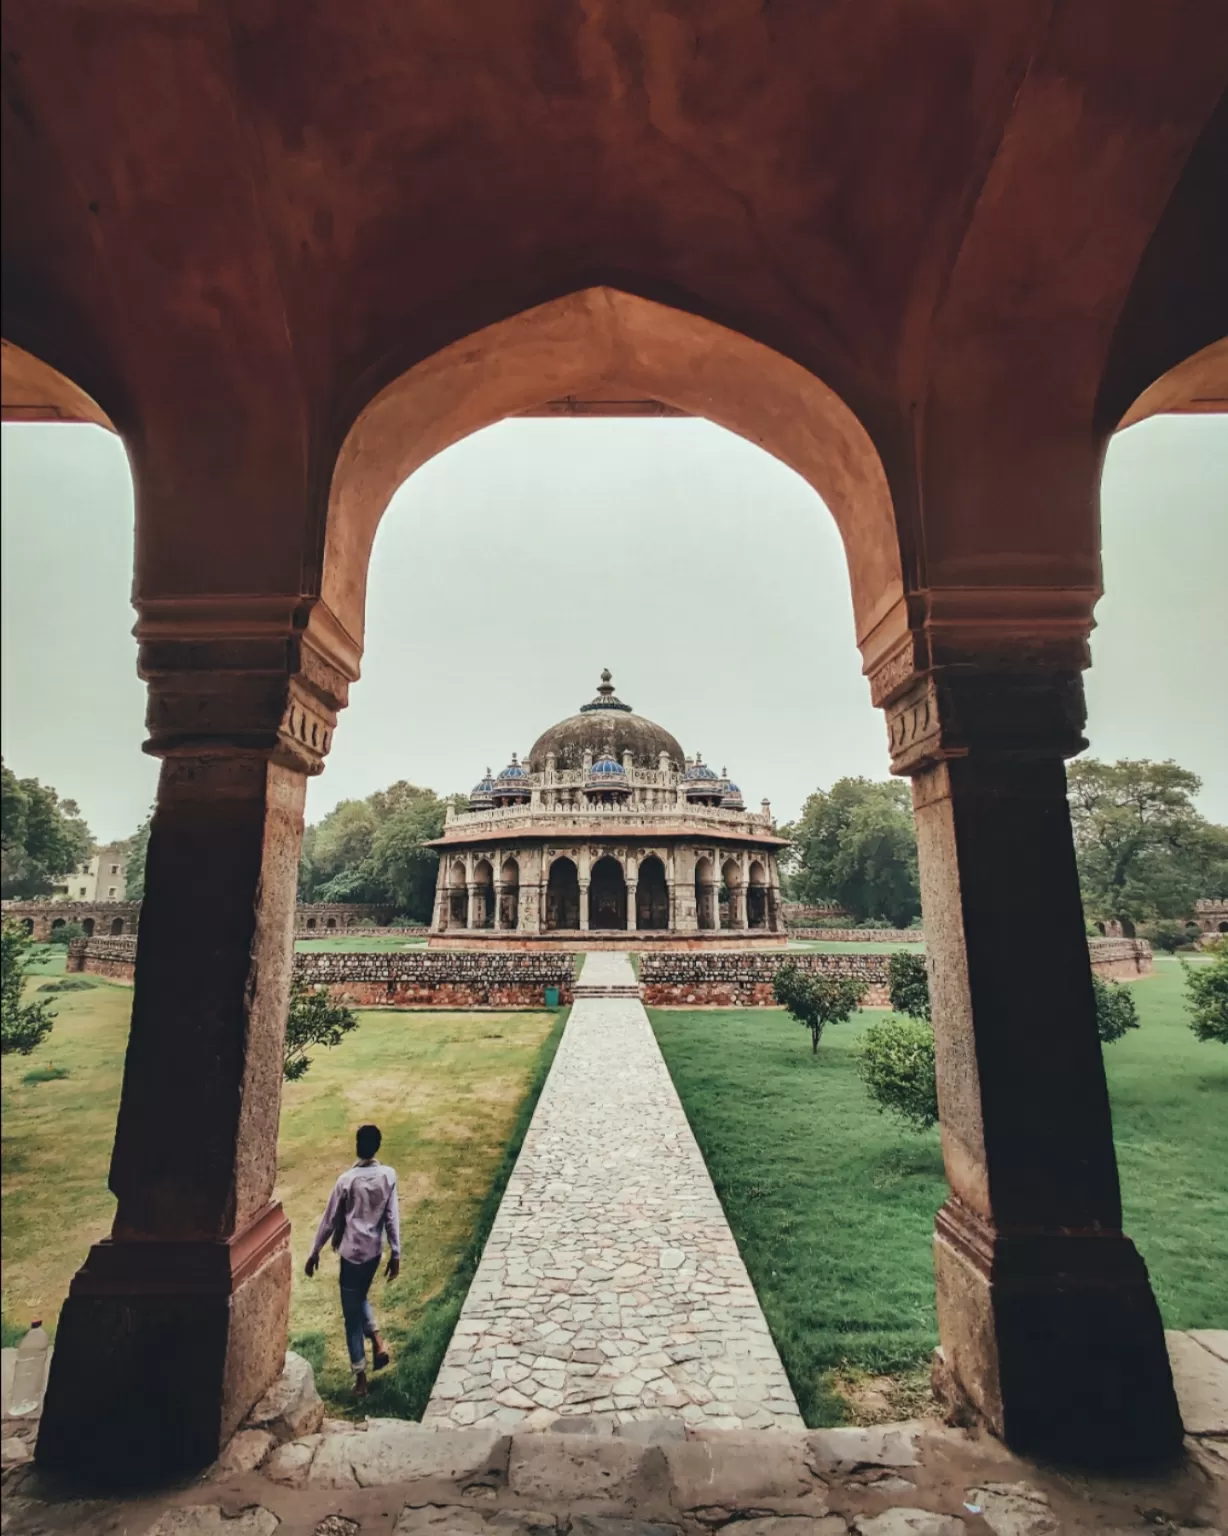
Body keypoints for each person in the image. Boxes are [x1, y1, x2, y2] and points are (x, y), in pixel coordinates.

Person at [305, 1123, 401, 1398]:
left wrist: (314, 1252)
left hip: (351, 1256)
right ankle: (379, 1343)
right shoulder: (388, 1176)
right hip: (373, 1253)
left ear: (357, 1145)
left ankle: (360, 1378)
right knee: (359, 1297)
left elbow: (330, 1219)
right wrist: (395, 1253)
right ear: (377, 1147)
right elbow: (392, 1218)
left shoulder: (346, 1180)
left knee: (351, 1315)